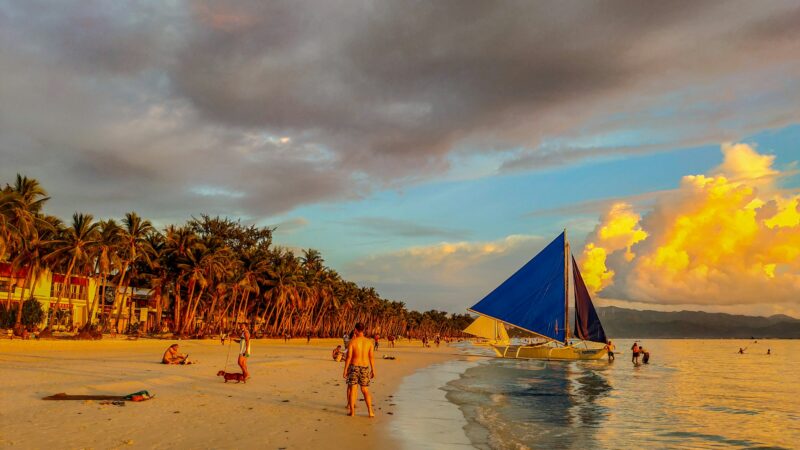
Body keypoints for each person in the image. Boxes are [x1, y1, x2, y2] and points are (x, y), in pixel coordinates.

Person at [343, 322, 376, 417]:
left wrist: (345, 370)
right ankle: (370, 411)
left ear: (356, 330)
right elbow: (371, 357)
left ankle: (352, 412)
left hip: (354, 366)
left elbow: (349, 357)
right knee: (365, 390)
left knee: (353, 389)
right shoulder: (369, 342)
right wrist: (373, 370)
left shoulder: (353, 342)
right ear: (363, 330)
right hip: (365, 367)